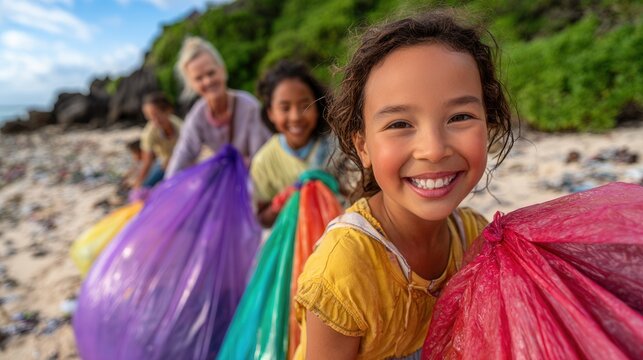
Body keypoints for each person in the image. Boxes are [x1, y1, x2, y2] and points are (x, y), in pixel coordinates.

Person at [293, 9, 514, 359]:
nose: (433, 150)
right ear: (363, 146)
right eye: (399, 124)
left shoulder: (476, 237)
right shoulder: (343, 270)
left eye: (459, 117)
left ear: (489, 124)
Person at [165, 36, 272, 177]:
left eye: (211, 73)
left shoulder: (249, 107)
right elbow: (183, 154)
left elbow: (261, 159)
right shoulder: (197, 115)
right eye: (199, 78)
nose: (208, 81)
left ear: (222, 71)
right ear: (192, 85)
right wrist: (166, 187)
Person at [250, 60, 335, 227]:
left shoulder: (337, 148)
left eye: (305, 106)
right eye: (285, 108)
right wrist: (283, 203)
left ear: (318, 107)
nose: (295, 117)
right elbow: (261, 218)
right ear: (271, 113)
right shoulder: (264, 162)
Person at [132, 92, 182, 189]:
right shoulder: (149, 133)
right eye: (149, 117)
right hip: (163, 164)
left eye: (156, 115)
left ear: (168, 111)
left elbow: (190, 151)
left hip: (181, 161)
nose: (154, 120)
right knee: (146, 186)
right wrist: (139, 183)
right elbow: (147, 161)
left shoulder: (179, 126)